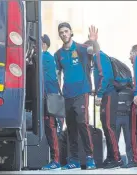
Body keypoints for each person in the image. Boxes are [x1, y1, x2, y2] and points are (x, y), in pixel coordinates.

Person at [54, 22, 98, 170]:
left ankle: (90, 157)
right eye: (61, 32)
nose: (64, 34)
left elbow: (95, 52)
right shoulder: (58, 54)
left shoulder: (82, 49)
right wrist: (58, 93)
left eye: (66, 31)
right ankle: (73, 160)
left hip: (82, 92)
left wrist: (93, 40)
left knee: (82, 122)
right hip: (67, 95)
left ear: (71, 32)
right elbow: (58, 75)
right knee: (71, 126)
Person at [91, 50, 123, 169]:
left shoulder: (99, 56)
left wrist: (99, 94)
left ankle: (116, 158)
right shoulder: (96, 58)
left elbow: (106, 76)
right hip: (106, 95)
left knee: (109, 126)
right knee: (106, 126)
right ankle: (110, 157)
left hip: (109, 95)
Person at [40, 34, 63, 170]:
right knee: (51, 128)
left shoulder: (45, 57)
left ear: (43, 45)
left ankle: (56, 160)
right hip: (51, 98)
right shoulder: (49, 57)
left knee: (51, 128)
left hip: (50, 98)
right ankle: (55, 160)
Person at [115, 87, 136, 168]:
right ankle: (117, 160)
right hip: (118, 116)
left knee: (128, 139)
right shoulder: (114, 89)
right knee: (115, 140)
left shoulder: (131, 91)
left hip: (127, 116)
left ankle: (130, 160)